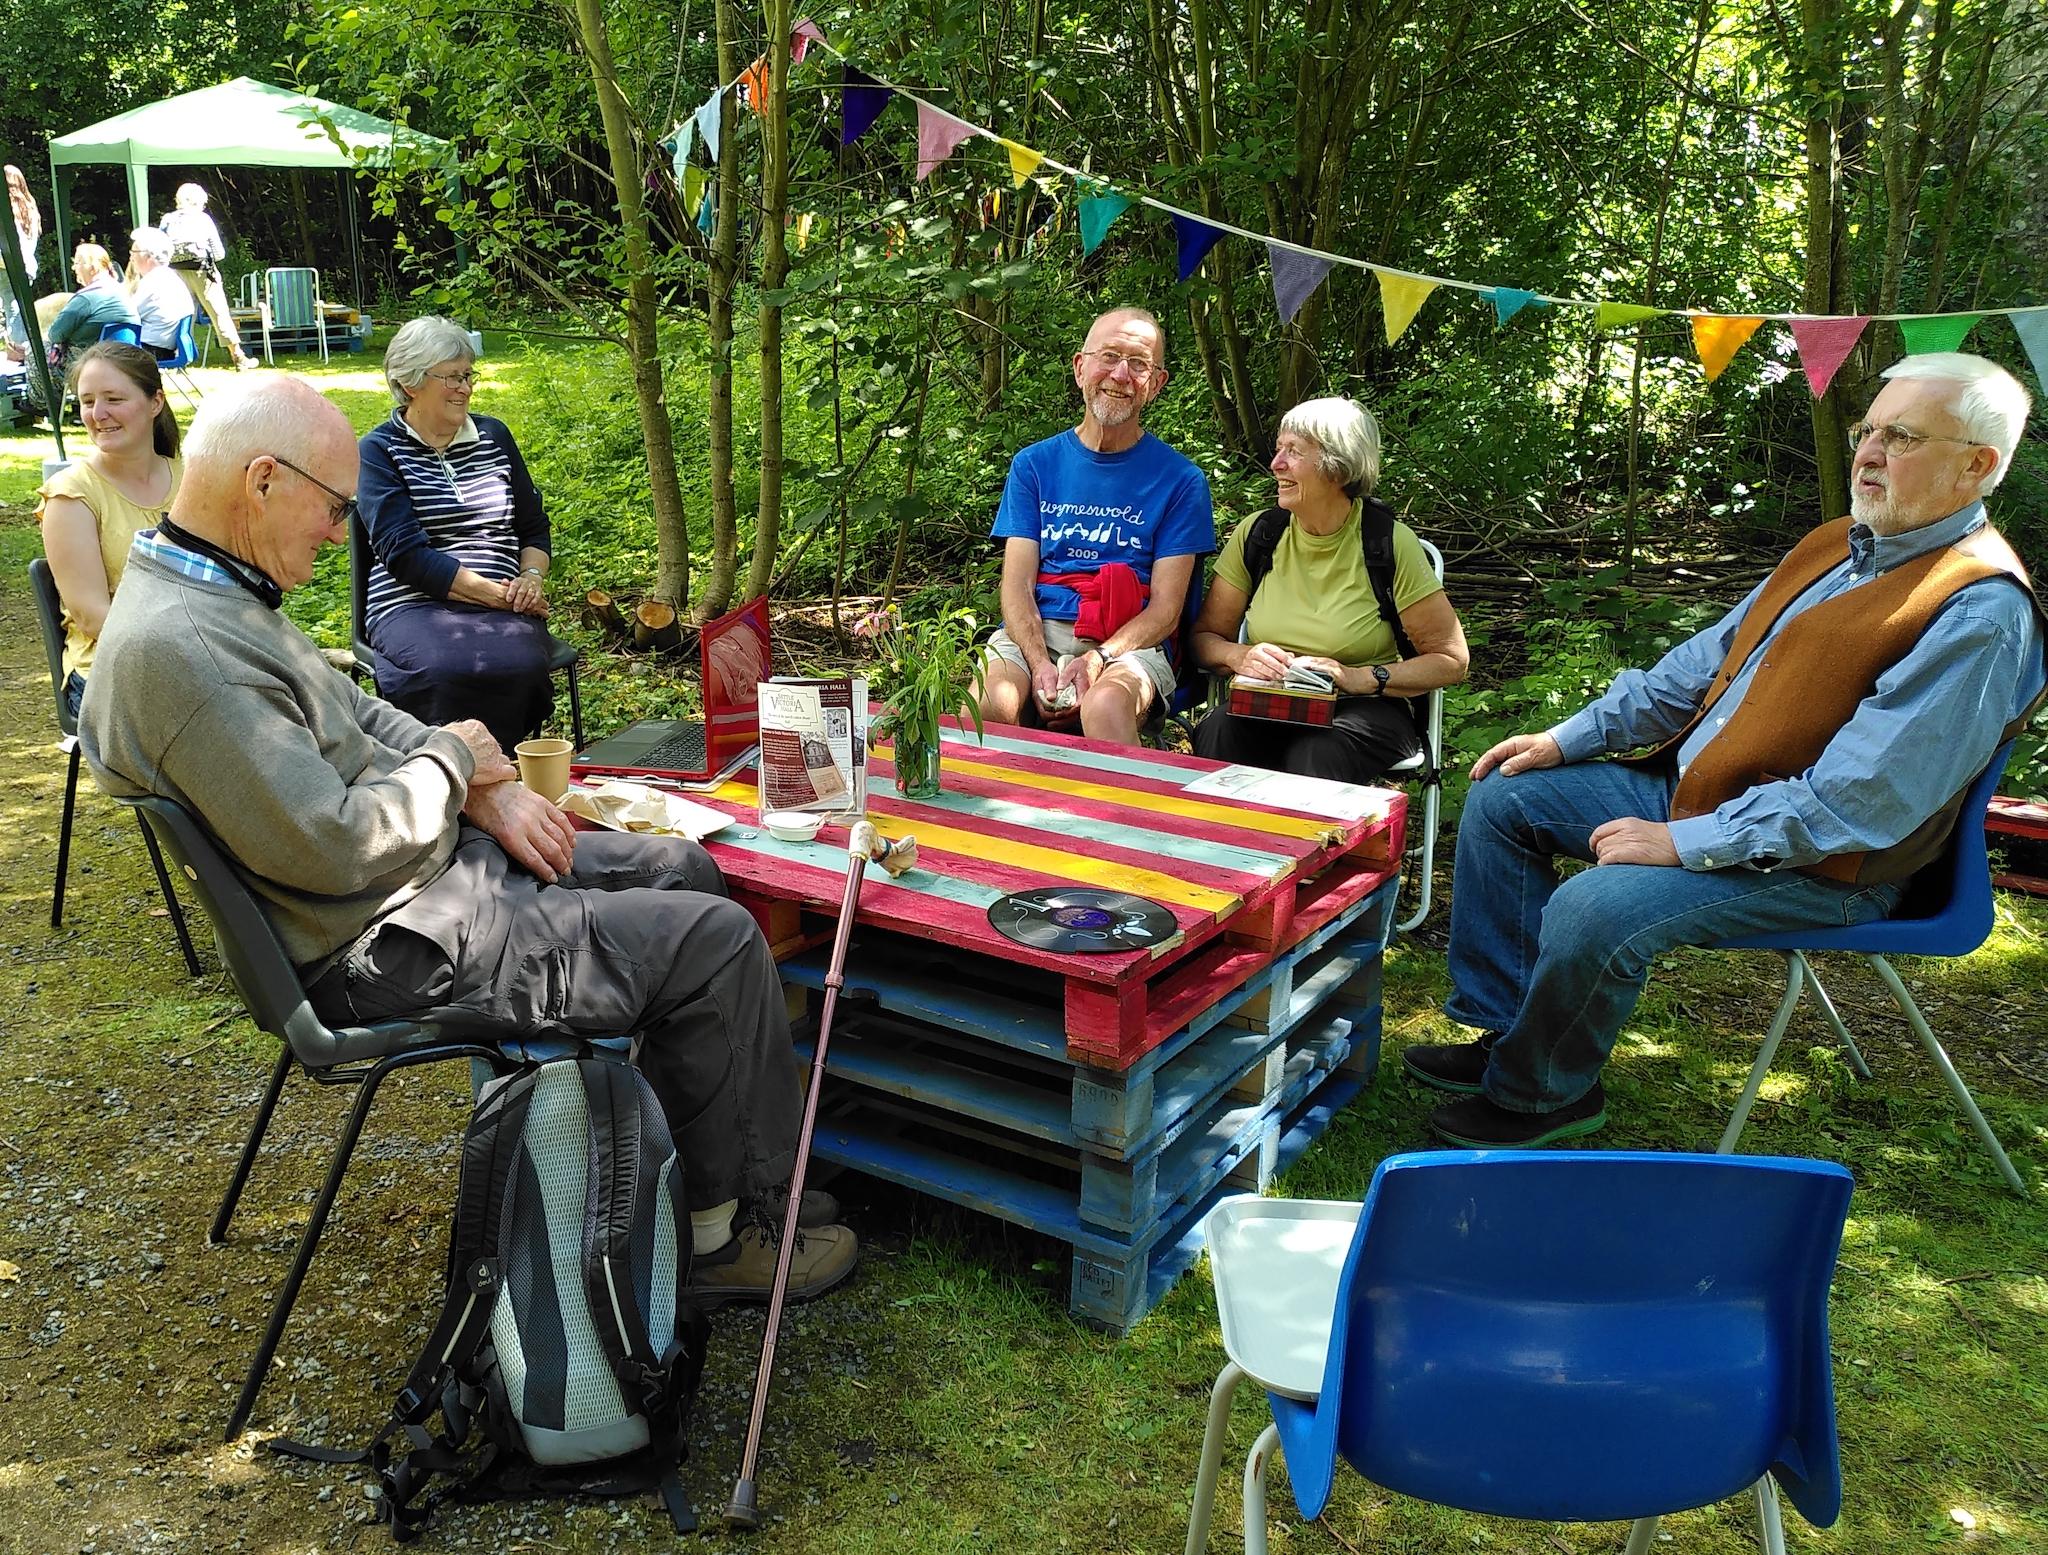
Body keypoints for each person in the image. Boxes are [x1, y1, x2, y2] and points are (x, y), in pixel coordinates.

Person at [78, 375, 858, 1302]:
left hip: (427, 883)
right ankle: (717, 1241)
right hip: (387, 941)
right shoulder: (188, 654)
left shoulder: (215, 591)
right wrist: (457, 765)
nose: (340, 535)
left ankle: (730, 1174)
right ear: (260, 480)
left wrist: (479, 785)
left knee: (683, 865)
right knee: (717, 941)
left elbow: (361, 719)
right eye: (334, 510)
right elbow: (332, 843)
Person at [1406, 353, 2047, 1149]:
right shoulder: (1837, 546)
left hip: (1830, 867)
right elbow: (1699, 666)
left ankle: (1542, 1096)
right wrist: (1564, 737)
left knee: (1594, 905)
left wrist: (1680, 842)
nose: (1870, 452)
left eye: (1903, 436)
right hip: (1713, 799)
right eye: (1868, 429)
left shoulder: (1978, 613)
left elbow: (1861, 803)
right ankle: (1512, 1038)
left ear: (1978, 466)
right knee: (1507, 795)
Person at [1189, 396, 1469, 782]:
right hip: (1272, 702)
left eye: (1294, 452)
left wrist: (1364, 677)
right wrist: (1240, 656)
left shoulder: (1386, 543)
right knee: (1218, 728)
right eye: (1278, 450)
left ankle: (1305, 844)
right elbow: (1203, 638)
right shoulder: (1260, 535)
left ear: (1337, 468)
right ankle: (1220, 842)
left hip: (1365, 707)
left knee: (1319, 748)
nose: (1276, 464)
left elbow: (1452, 660)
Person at [976, 306, 1215, 746]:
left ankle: (1124, 814)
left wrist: (1099, 659)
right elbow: (1016, 587)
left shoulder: (1181, 480)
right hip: (1037, 631)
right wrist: (1039, 661)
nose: (1121, 374)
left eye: (1139, 364)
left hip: (1128, 642)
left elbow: (1165, 611)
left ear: (1156, 384)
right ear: (1080, 367)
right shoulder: (1034, 465)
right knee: (992, 703)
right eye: (1109, 356)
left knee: (1103, 706)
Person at [357, 316, 555, 753]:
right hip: (411, 604)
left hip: (505, 603)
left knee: (517, 663)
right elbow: (404, 554)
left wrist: (531, 580)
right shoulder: (379, 450)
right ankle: (441, 775)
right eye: (451, 377)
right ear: (410, 384)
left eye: (468, 375)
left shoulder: (494, 436)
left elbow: (534, 528)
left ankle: (499, 772)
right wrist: (498, 594)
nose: (465, 388)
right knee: (441, 668)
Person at [36, 343, 183, 717]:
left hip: (199, 654)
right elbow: (92, 616)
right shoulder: (71, 496)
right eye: (87, 402)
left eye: (113, 399)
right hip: (110, 670)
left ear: (155, 403)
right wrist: (192, 653)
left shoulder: (191, 478)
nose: (98, 414)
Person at [29, 244, 139, 413]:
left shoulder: (87, 297)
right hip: (124, 357)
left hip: (92, 360)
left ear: (92, 267)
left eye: (78, 263)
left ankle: (42, 404)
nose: (74, 268)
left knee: (35, 349)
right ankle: (75, 402)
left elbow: (55, 333)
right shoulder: (120, 291)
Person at [158, 182, 256, 370]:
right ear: (199, 201)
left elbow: (160, 246)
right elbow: (219, 253)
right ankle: (238, 357)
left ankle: (179, 358)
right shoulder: (203, 220)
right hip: (203, 272)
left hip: (175, 273)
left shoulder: (168, 219)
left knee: (181, 315)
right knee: (219, 313)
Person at [125, 226, 197, 359]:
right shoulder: (169, 276)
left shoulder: (153, 281)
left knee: (100, 352)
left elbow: (127, 313)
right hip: (163, 347)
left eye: (134, 252)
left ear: (149, 256)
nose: (131, 257)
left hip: (150, 350)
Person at [3, 165, 39, 353]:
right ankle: (25, 351)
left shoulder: (6, 208)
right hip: (27, 267)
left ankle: (21, 354)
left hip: (7, 266)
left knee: (13, 310)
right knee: (18, 310)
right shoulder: (29, 206)